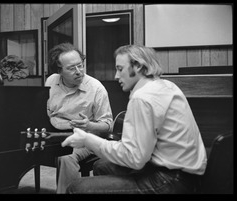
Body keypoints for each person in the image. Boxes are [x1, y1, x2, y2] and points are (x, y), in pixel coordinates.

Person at [61, 45, 207, 194]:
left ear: (137, 66)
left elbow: (134, 159)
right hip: (190, 173)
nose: (116, 76)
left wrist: (87, 140)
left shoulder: (142, 98)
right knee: (101, 166)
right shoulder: (166, 85)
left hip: (172, 179)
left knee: (76, 188)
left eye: (120, 69)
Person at [45, 42, 113, 194]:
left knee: (65, 156)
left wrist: (89, 125)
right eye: (71, 68)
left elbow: (108, 125)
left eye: (80, 65)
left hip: (84, 137)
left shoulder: (96, 88)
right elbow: (47, 109)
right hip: (55, 133)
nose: (78, 71)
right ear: (59, 70)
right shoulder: (51, 81)